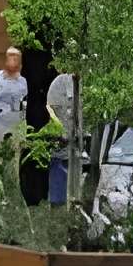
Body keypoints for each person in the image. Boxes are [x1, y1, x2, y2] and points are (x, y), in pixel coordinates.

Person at [0, 45, 30, 146]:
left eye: (16, 57)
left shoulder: (23, 82)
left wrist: (23, 127)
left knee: (14, 154)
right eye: (11, 56)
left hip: (15, 127)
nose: (13, 60)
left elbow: (24, 104)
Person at [46, 70, 77, 207]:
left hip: (77, 149)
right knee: (58, 199)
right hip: (61, 147)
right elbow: (49, 109)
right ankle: (56, 205)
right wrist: (59, 130)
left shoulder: (89, 85)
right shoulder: (60, 83)